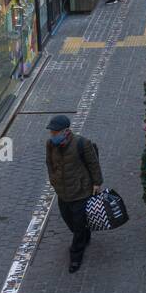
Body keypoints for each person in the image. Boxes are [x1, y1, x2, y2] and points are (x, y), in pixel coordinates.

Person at [45, 114, 102, 274]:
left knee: (77, 225)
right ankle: (84, 234)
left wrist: (96, 183)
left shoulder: (82, 143)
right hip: (63, 192)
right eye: (52, 133)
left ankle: (76, 255)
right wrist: (53, 179)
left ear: (66, 131)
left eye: (55, 132)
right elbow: (49, 163)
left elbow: (93, 164)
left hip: (80, 192)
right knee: (68, 219)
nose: (53, 135)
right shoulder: (50, 144)